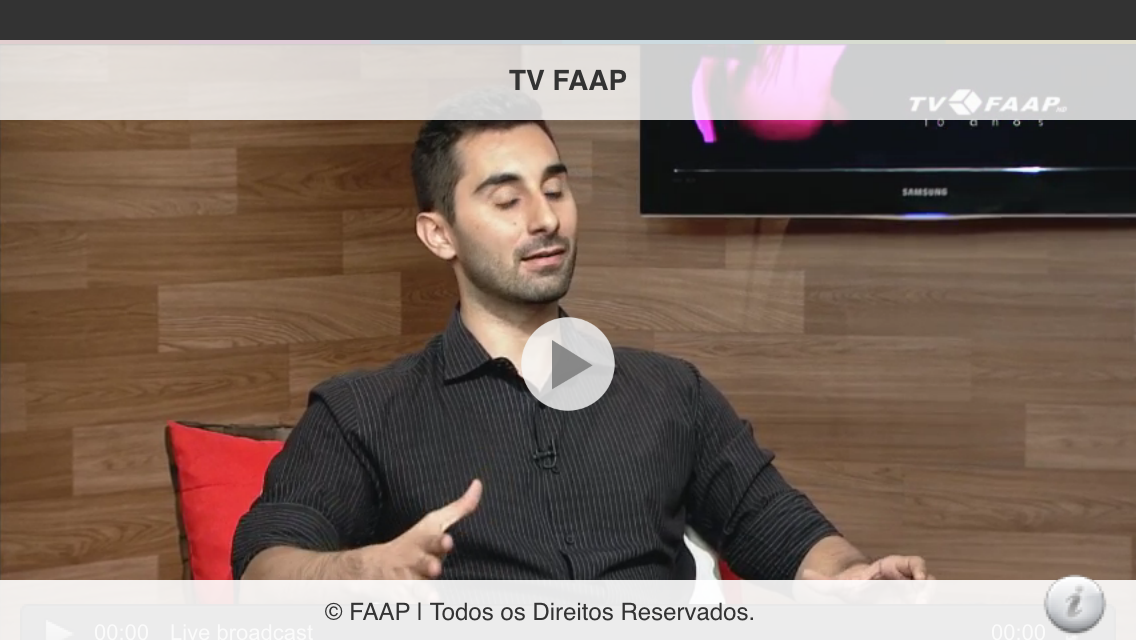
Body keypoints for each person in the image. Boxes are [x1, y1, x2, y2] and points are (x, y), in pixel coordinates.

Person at [232, 98, 932, 582]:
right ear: (439, 234)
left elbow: (780, 529)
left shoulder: (670, 393)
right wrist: (361, 570)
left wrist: (853, 575)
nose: (545, 219)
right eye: (507, 200)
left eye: (555, 189)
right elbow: (264, 565)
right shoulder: (363, 412)